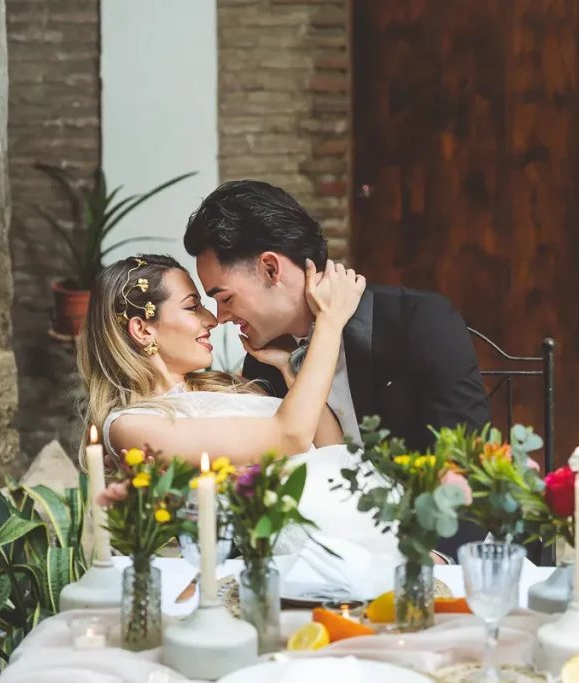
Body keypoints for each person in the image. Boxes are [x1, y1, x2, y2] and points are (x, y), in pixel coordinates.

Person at [184, 179, 491, 557]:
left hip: (434, 554)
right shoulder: (264, 361)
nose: (222, 317)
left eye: (225, 298)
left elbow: (469, 467)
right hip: (330, 561)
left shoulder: (418, 322)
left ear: (270, 269)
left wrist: (435, 561)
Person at [76, 253, 389, 552]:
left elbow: (333, 449)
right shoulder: (132, 425)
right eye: (192, 306)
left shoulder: (227, 388)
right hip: (313, 555)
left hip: (358, 521)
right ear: (143, 330)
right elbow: (289, 436)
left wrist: (290, 370)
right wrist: (330, 322)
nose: (211, 319)